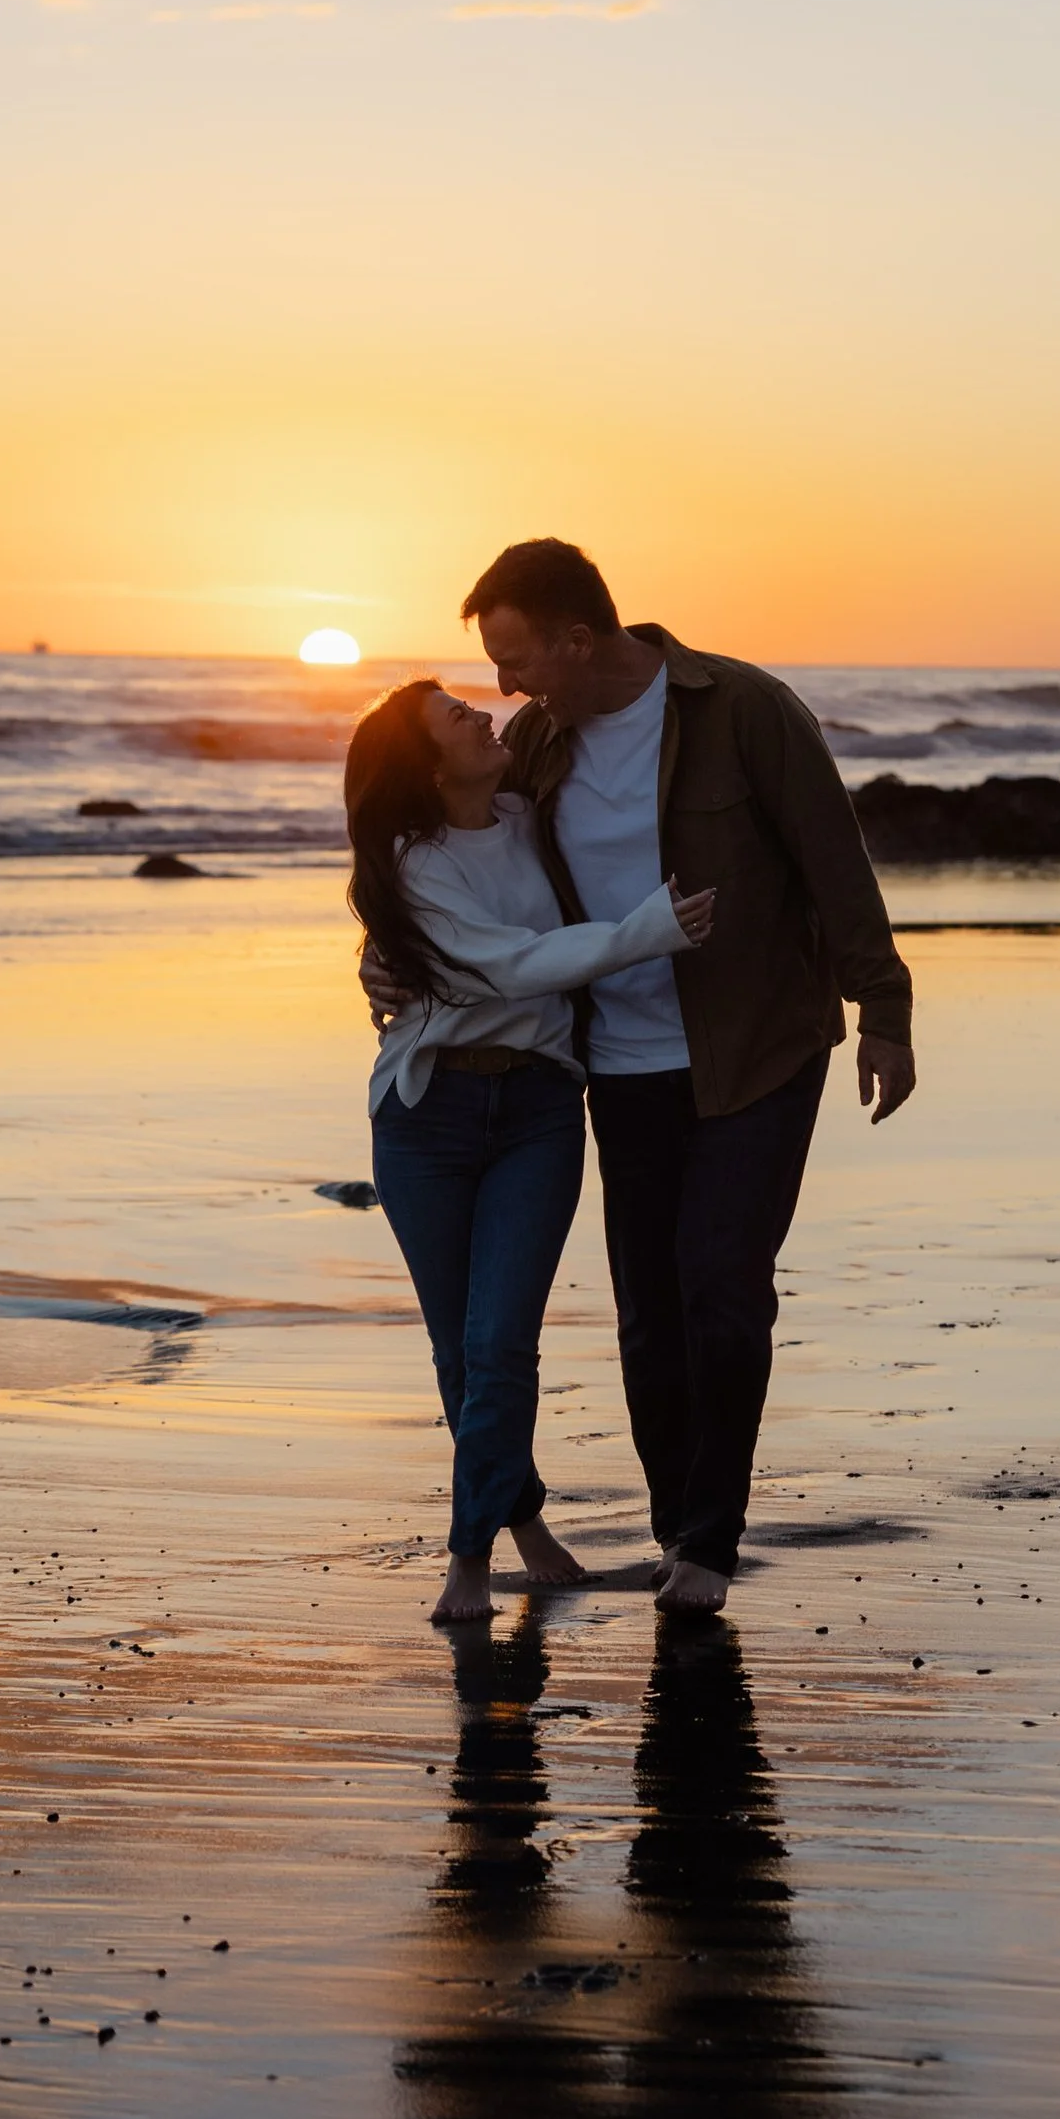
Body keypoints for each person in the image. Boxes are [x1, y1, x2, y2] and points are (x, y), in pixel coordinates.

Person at [365, 540, 915, 1617]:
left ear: (579, 638)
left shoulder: (744, 711)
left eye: (518, 659)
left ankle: (710, 1538)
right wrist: (389, 954)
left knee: (721, 1288)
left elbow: (833, 863)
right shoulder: (531, 747)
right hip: (613, 1065)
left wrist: (882, 1012)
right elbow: (455, 862)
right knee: (648, 1317)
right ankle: (677, 1525)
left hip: (756, 1047)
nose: (506, 687)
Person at [347, 675, 716, 1626]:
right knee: (462, 1350)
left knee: (501, 1341)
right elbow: (511, 960)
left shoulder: (532, 818)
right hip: (427, 1117)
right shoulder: (411, 862)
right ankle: (519, 1522)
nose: (481, 716)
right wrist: (651, 933)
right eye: (456, 720)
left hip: (538, 1109)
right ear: (425, 769)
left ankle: (467, 1557)